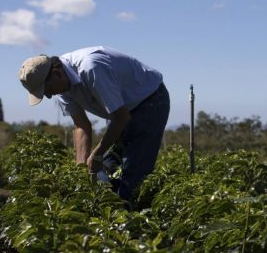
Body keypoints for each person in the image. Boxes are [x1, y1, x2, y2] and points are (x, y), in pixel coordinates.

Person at [18, 46, 170, 203]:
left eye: (47, 90)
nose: (49, 96)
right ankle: (111, 202)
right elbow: (81, 125)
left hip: (150, 101)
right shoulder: (62, 86)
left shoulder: (92, 68)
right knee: (104, 167)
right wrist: (81, 168)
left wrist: (97, 154)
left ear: (56, 74)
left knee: (133, 175)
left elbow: (121, 117)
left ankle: (127, 217)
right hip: (124, 112)